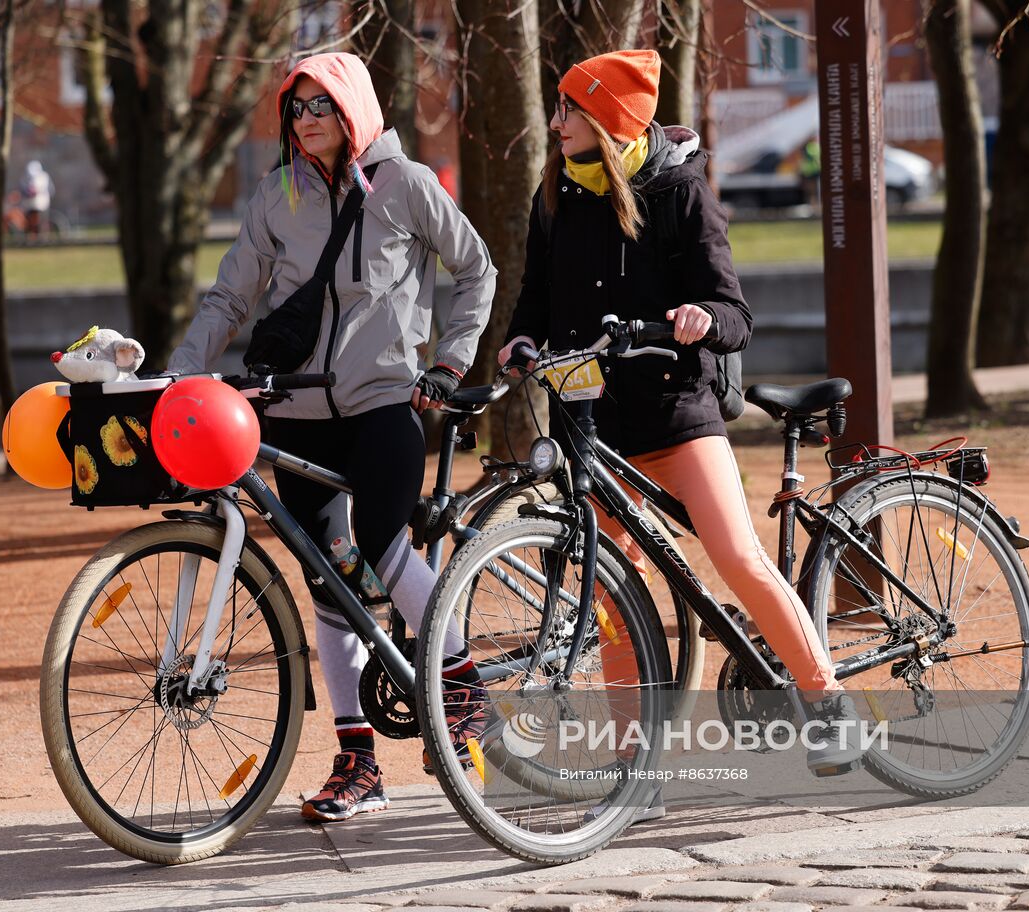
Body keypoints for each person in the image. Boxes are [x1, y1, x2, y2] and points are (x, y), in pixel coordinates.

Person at [496, 50, 862, 778]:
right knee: (612, 589)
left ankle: (827, 706)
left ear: (606, 119)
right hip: (593, 424)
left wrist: (701, 317)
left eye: (569, 108)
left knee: (735, 556)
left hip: (675, 414)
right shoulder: (556, 197)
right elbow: (536, 297)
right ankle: (636, 762)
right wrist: (520, 338)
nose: (556, 120)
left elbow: (735, 311)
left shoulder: (679, 192)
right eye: (559, 106)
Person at [168, 52, 496, 823]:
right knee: (325, 578)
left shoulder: (407, 184)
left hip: (383, 402)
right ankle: (357, 760)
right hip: (294, 411)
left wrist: (451, 360)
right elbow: (230, 294)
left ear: (355, 108)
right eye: (297, 106)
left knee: (383, 542)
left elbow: (475, 268)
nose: (308, 117)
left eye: (323, 103)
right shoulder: (275, 194)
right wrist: (183, 375)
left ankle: (461, 682)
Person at [20, 161, 53, 239]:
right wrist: (28, 192)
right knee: (31, 222)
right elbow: (23, 189)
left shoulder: (44, 177)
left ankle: (43, 237)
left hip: (42, 204)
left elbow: (50, 190)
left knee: (42, 222)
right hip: (30, 205)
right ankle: (32, 237)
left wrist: (39, 192)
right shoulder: (25, 178)